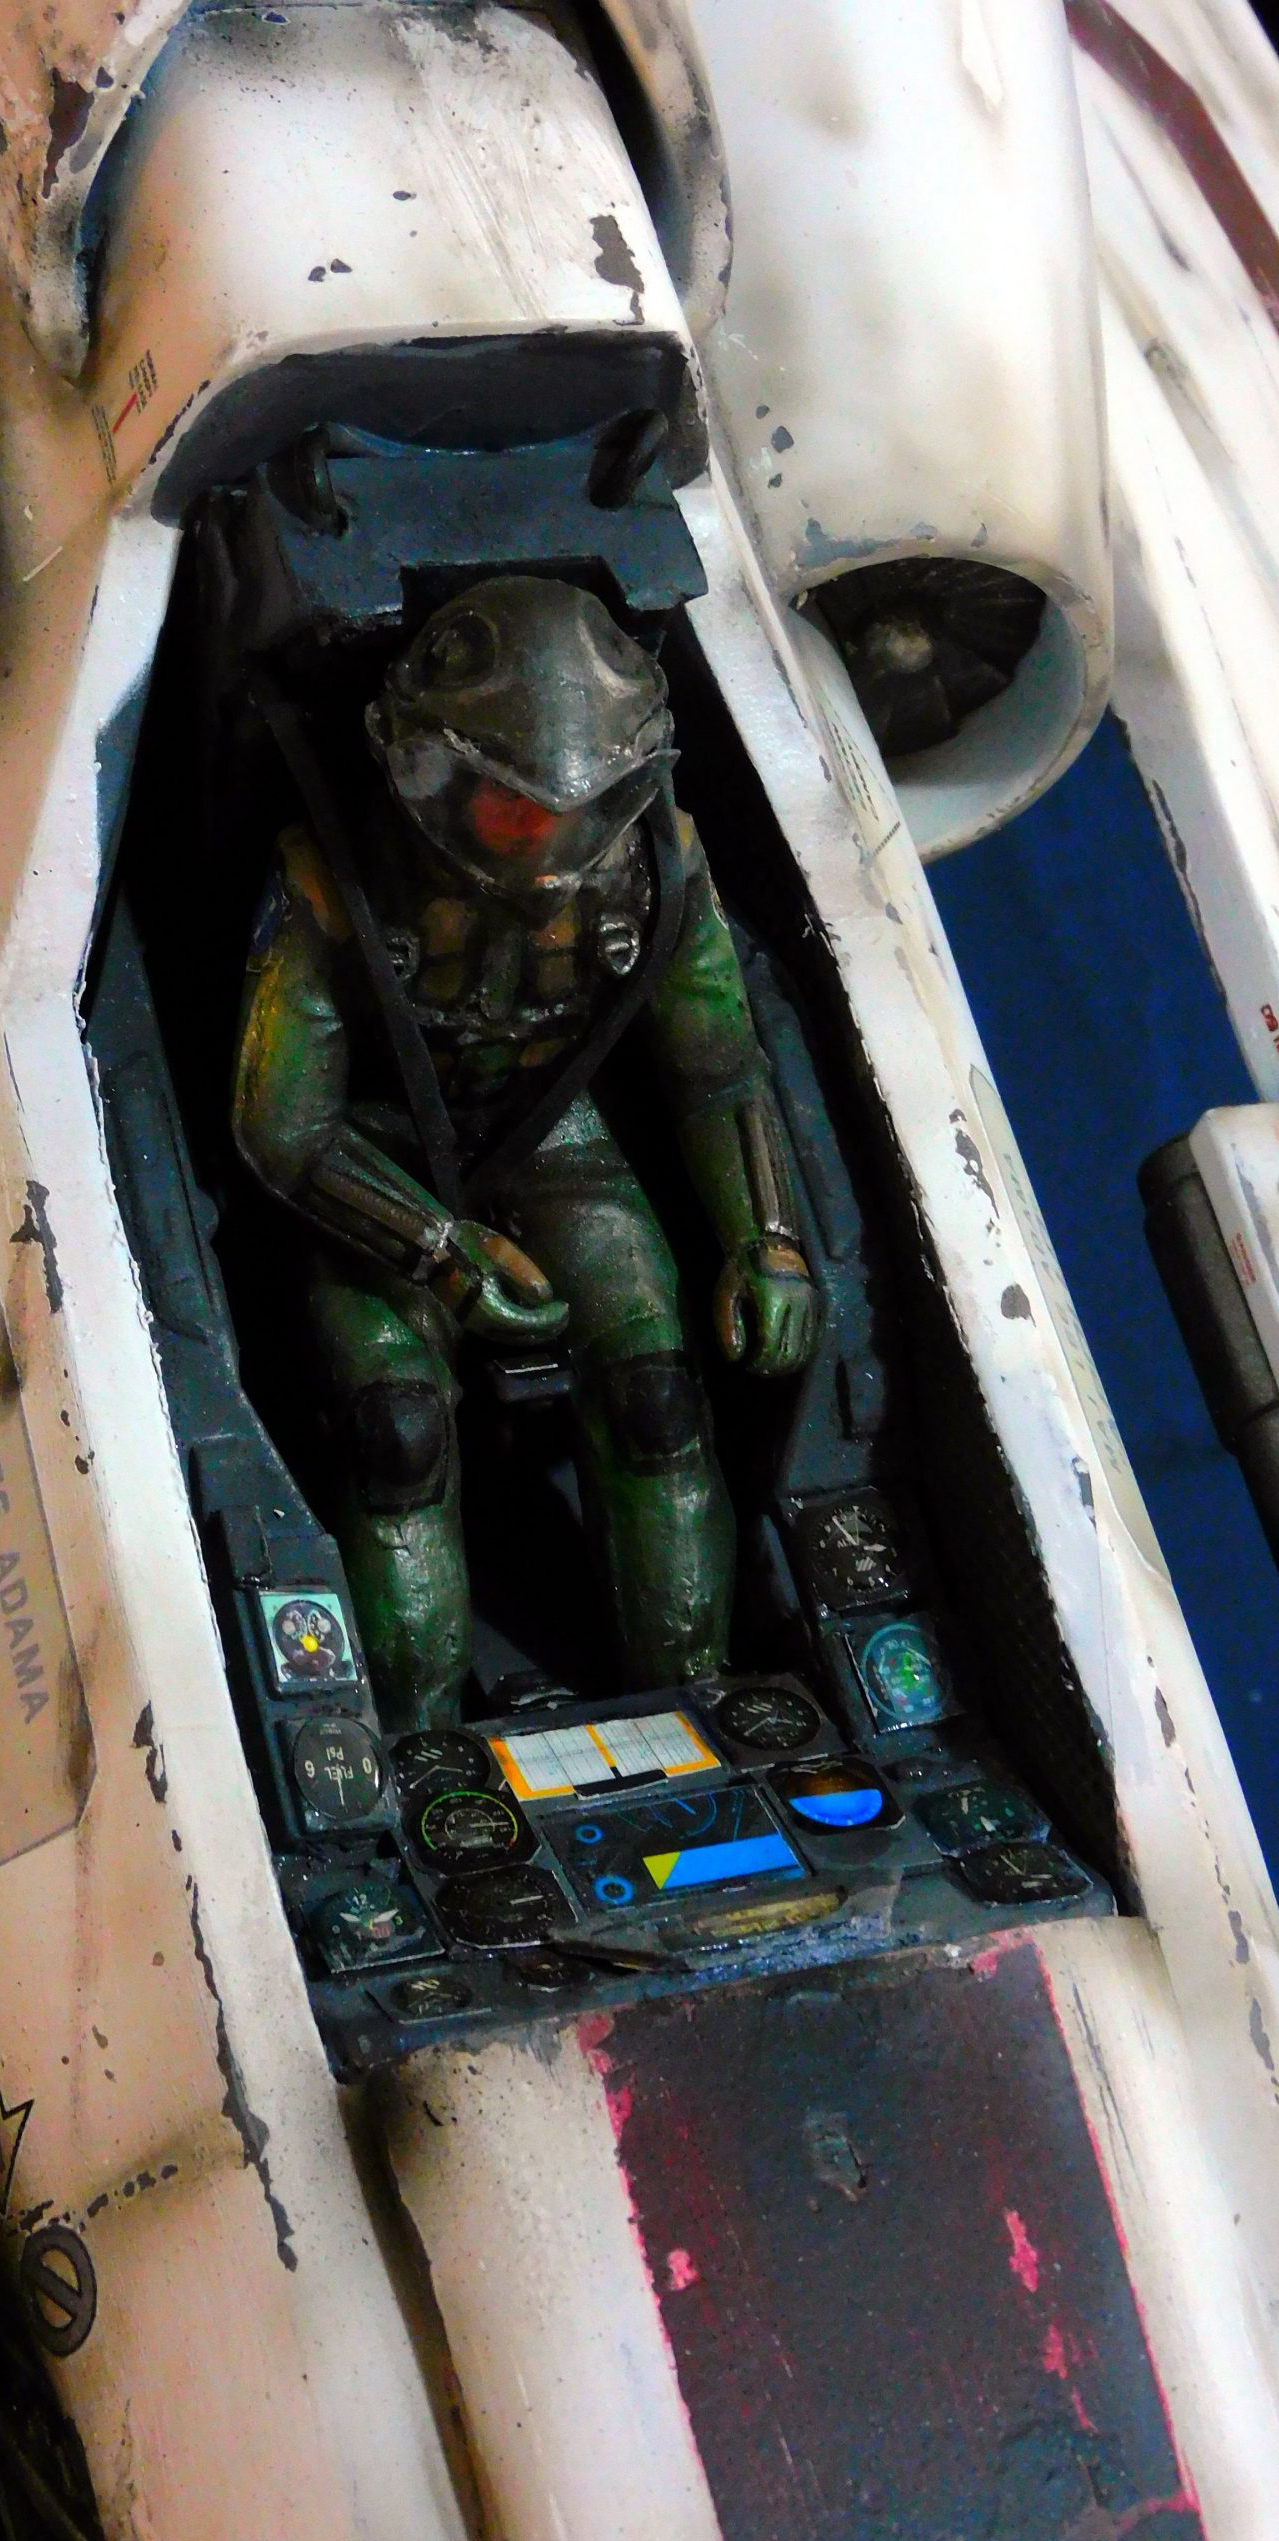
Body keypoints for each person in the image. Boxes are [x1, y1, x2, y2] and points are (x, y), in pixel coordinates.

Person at [233, 575, 821, 1726]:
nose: (537, 837)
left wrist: (769, 1239)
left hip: (560, 1139)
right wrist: (440, 1252)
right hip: (381, 1156)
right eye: (507, 803)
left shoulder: (657, 870)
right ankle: (418, 1737)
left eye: (570, 808)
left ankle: (698, 1700)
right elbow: (283, 1127)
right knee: (399, 1431)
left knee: (658, 1400)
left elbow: (717, 1069)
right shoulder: (333, 880)